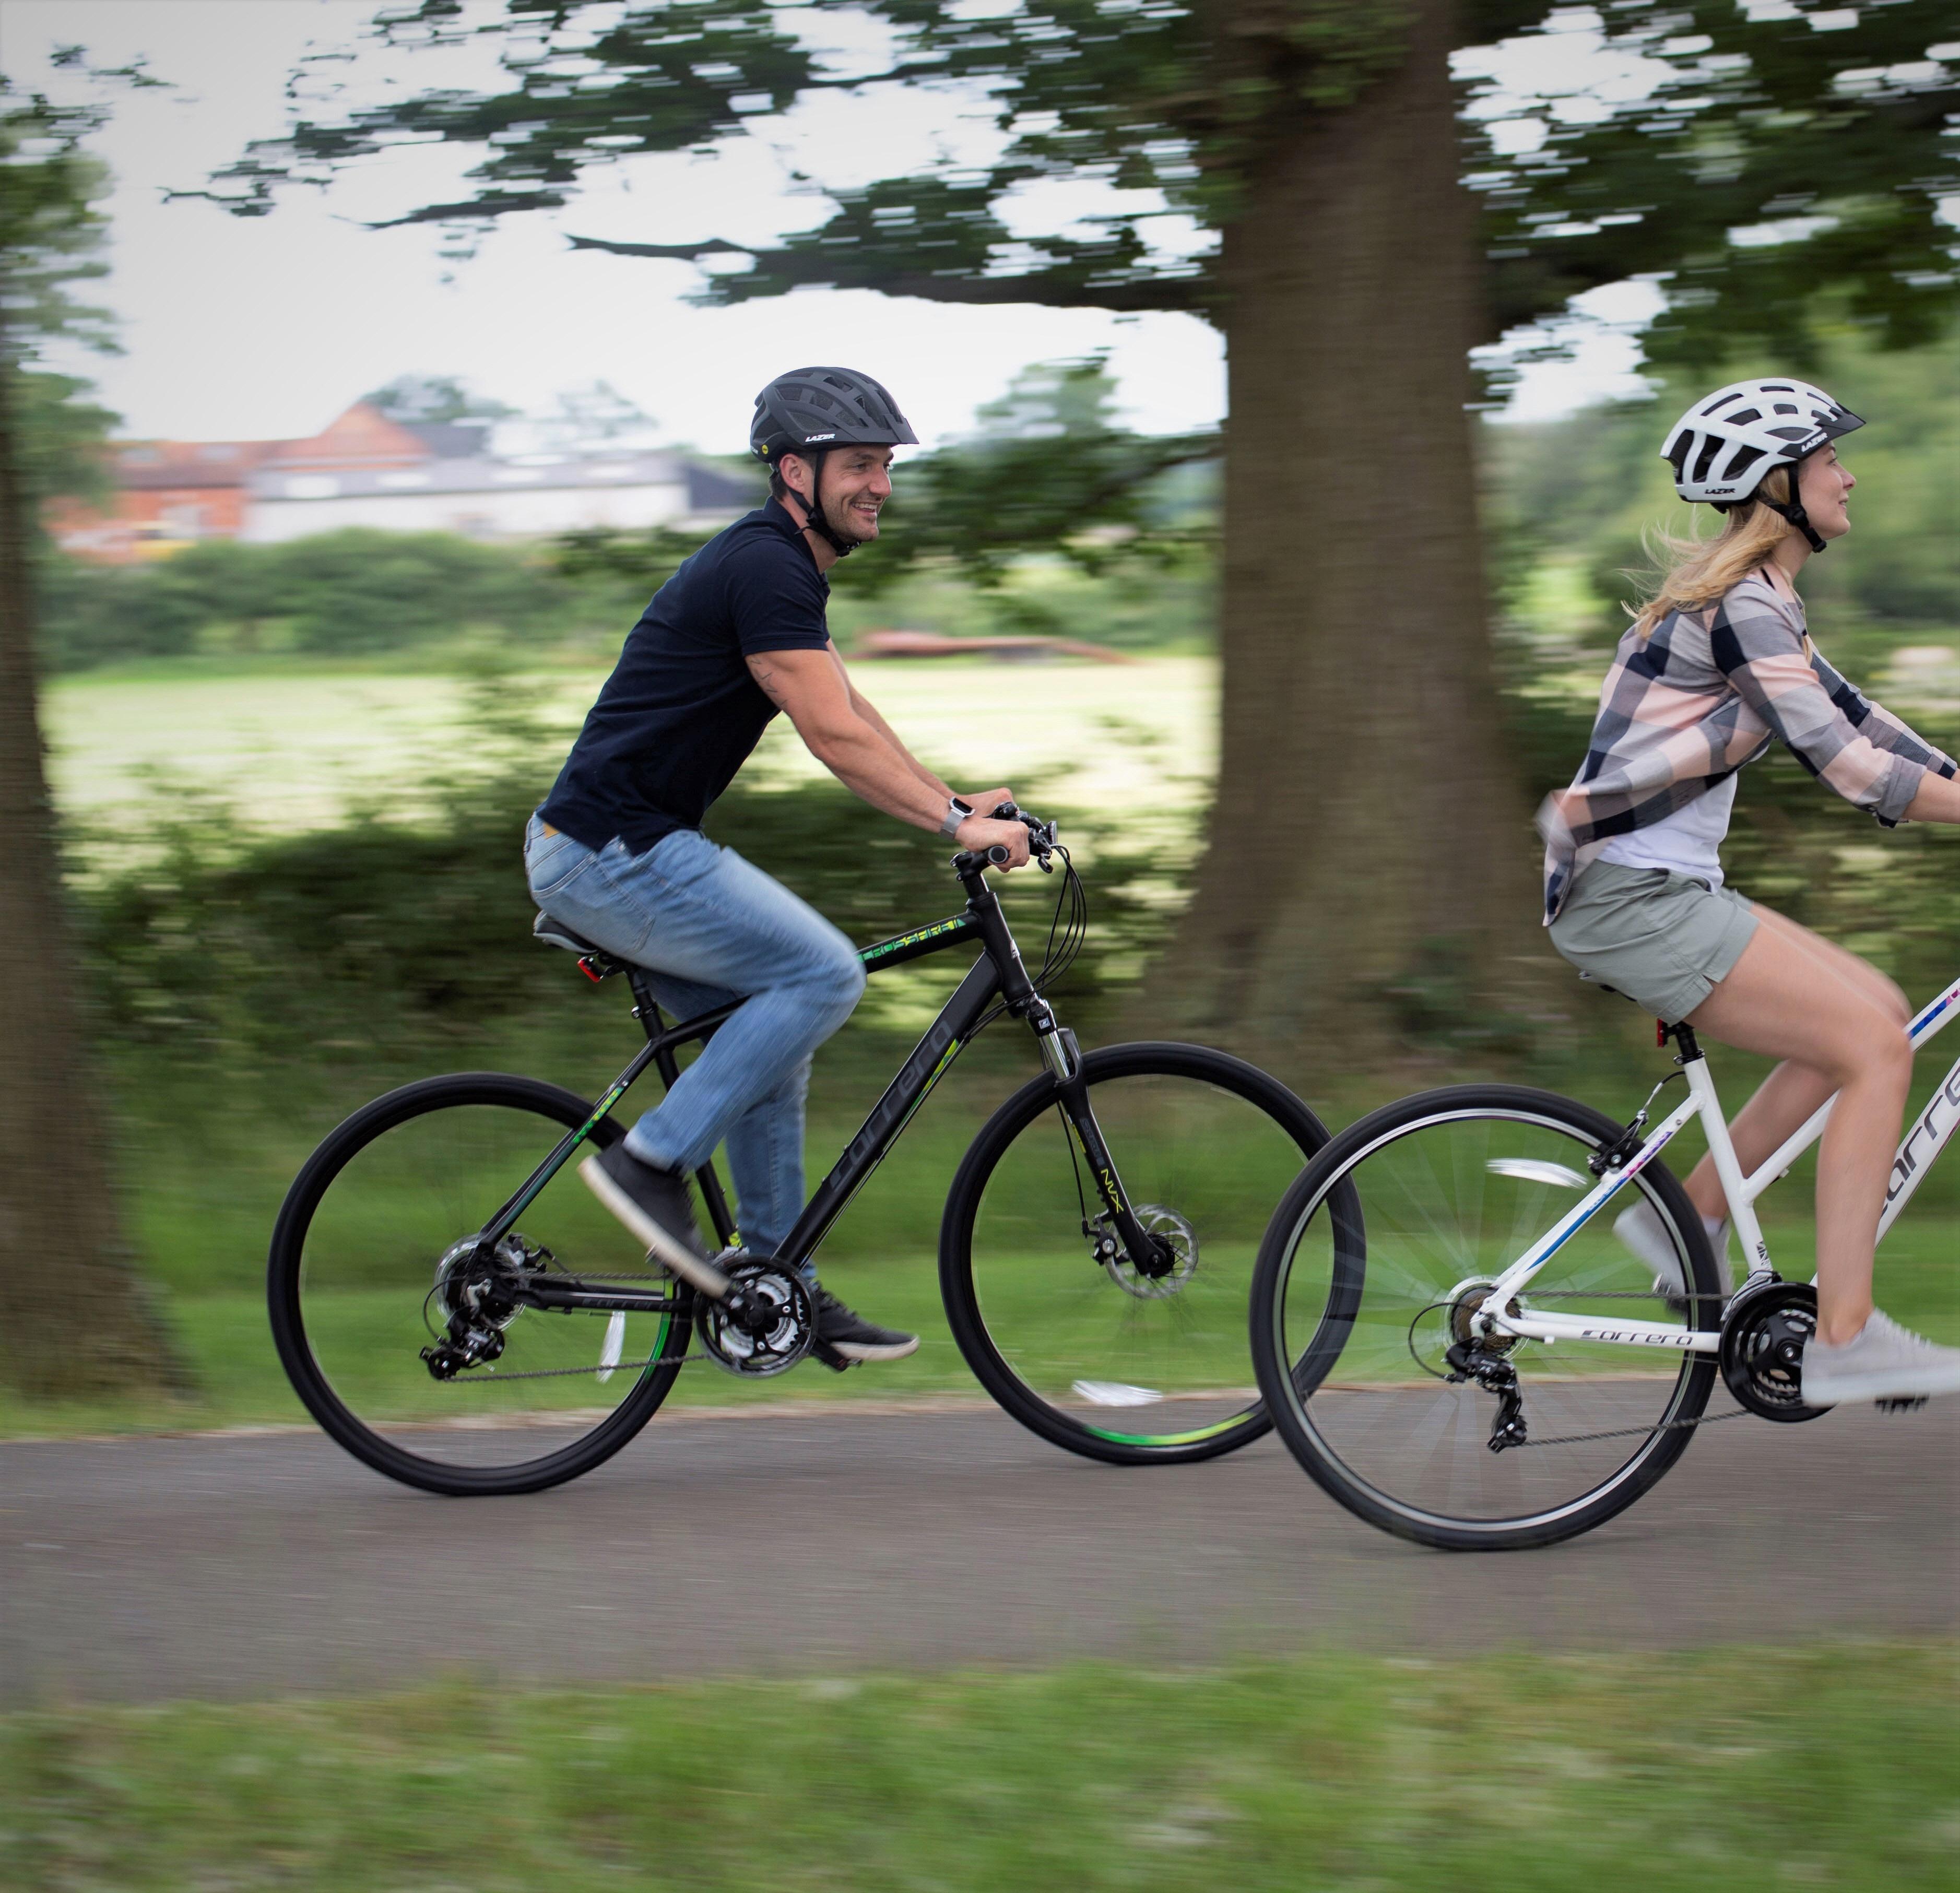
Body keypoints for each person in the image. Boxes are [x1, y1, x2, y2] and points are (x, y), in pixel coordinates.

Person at [524, 366, 1031, 1362]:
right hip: (611, 852)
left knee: (774, 1032)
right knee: (823, 974)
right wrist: (949, 826)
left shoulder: (781, 568)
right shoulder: (765, 565)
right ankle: (648, 1163)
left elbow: (851, 710)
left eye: (885, 466)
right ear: (795, 472)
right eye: (859, 465)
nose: (879, 484)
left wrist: (954, 802)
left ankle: (772, 1277)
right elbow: (829, 737)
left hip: (613, 848)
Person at [1537, 376, 1960, 1406]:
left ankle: (1685, 1216)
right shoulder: (1741, 610)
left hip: (1654, 887)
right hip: (1632, 897)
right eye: (1828, 462)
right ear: (1775, 484)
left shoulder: (1762, 606)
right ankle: (1844, 1338)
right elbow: (1848, 768)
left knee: (1878, 1015)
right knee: (1870, 1050)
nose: (1846, 477)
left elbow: (1865, 723)